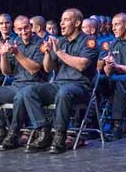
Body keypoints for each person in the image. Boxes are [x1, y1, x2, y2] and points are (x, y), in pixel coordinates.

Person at [20, 8, 98, 154]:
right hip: (59, 83)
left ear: (77, 23)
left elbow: (81, 65)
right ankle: (44, 132)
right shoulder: (59, 41)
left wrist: (59, 52)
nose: (61, 23)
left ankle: (60, 136)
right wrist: (48, 53)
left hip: (80, 86)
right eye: (61, 20)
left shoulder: (88, 41)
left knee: (64, 92)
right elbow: (49, 69)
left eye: (66, 20)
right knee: (28, 91)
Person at [0, 15, 47, 150]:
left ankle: (13, 134)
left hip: (35, 86)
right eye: (20, 29)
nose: (24, 32)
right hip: (16, 85)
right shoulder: (14, 43)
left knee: (22, 95)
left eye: (26, 28)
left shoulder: (40, 43)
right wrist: (2, 54)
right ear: (15, 30)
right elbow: (6, 72)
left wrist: (17, 53)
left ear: (31, 27)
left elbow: (34, 69)